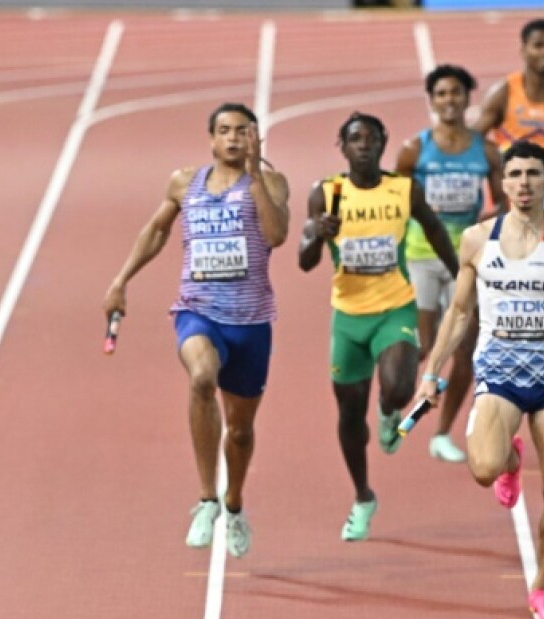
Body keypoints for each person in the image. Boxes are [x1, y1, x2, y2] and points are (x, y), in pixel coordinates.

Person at [413, 140, 544, 619]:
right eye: (515, 174)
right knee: (482, 468)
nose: (523, 183)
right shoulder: (478, 240)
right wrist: (432, 372)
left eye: (532, 174)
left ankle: (541, 586)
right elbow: (459, 311)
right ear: (502, 183)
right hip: (499, 372)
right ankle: (508, 459)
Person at [103, 103, 289, 559]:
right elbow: (156, 231)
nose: (232, 138)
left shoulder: (270, 182)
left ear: (255, 138)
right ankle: (207, 499)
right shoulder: (185, 182)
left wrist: (257, 173)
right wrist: (120, 281)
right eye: (224, 131)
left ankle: (234, 503)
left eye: (242, 131)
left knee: (240, 431)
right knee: (202, 376)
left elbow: (276, 234)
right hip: (197, 311)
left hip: (250, 321)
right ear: (210, 139)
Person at [299, 112, 460, 542]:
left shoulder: (404, 190)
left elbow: (436, 231)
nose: (364, 145)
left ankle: (391, 414)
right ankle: (363, 496)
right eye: (355, 138)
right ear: (344, 147)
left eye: (372, 138)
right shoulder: (327, 193)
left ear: (384, 143)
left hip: (395, 309)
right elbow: (304, 261)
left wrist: (461, 276)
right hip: (349, 318)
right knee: (350, 415)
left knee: (399, 387)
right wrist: (316, 233)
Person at [394, 64, 506, 464]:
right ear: (432, 100)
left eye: (456, 93)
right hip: (422, 255)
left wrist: (486, 226)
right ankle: (397, 399)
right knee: (425, 346)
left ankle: (442, 433)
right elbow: (394, 201)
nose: (449, 101)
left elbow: (503, 201)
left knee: (469, 348)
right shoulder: (414, 150)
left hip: (468, 260)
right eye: (440, 94)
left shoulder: (486, 150)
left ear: (467, 98)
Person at [474, 19, 544, 152]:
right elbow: (473, 139)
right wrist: (496, 156)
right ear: (523, 50)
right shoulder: (504, 92)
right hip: (513, 170)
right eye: (538, 46)